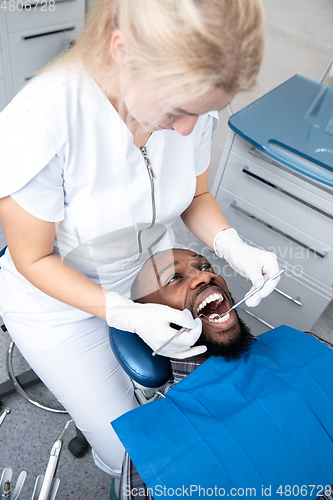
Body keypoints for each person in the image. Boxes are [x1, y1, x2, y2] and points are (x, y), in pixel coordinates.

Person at [0, 0, 280, 476]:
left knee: (210, 401)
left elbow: (195, 194)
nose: (188, 129)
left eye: (203, 112)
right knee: (136, 453)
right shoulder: (41, 122)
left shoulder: (187, 100)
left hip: (150, 266)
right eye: (177, 110)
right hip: (56, 299)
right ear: (122, 51)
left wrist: (233, 245)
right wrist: (126, 314)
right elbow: (34, 258)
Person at [115, 249, 333, 499]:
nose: (204, 277)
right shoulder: (153, 452)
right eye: (174, 278)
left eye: (205, 267)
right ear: (150, 320)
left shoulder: (306, 346)